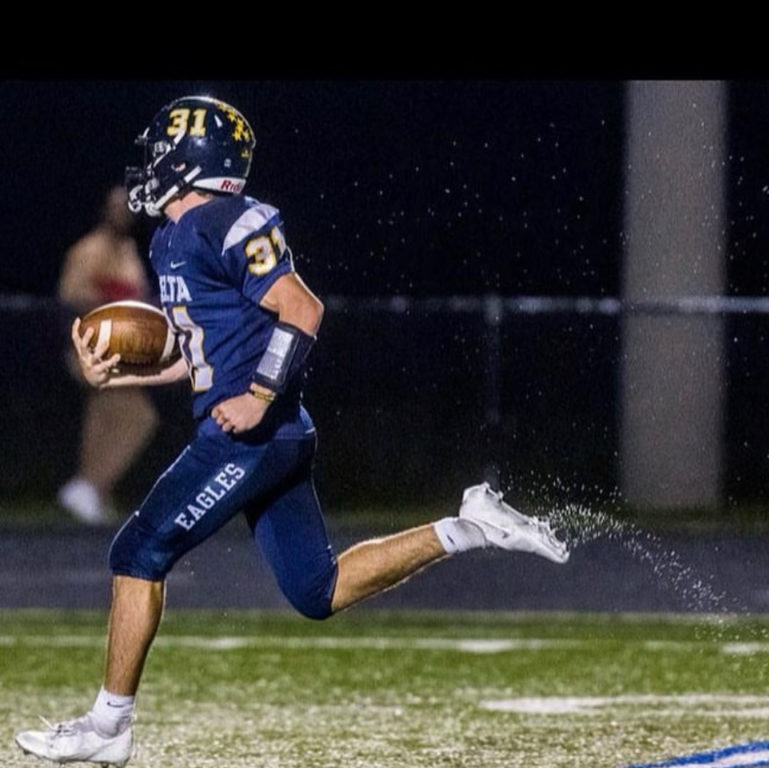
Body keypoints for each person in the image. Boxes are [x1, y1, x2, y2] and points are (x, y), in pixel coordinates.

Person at [16, 95, 568, 767]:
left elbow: (302, 308)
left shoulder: (227, 220)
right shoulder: (170, 237)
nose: (151, 165)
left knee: (137, 552)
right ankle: (470, 527)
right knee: (317, 590)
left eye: (162, 151)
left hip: (251, 433)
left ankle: (108, 728)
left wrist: (256, 396)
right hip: (271, 433)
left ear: (192, 160)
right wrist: (121, 374)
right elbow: (194, 351)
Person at [56, 185, 160, 525]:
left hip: (125, 350)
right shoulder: (90, 250)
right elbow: (71, 297)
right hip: (94, 349)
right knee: (140, 416)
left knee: (104, 417)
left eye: (126, 208)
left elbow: (141, 296)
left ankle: (90, 489)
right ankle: (90, 486)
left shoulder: (128, 250)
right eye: (115, 207)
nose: (121, 214)